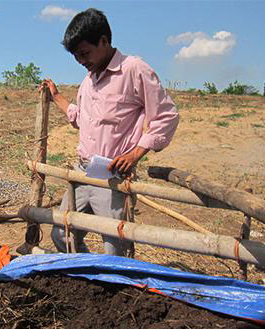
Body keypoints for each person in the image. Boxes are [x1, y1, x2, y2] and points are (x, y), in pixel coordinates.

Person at [41, 8, 179, 256]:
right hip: (82, 173)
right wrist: (57, 97)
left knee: (115, 247)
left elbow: (167, 115)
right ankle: (87, 277)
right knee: (62, 234)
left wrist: (136, 154)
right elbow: (82, 119)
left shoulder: (134, 70)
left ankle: (112, 288)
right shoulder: (88, 80)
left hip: (113, 175)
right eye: (76, 57)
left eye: (85, 53)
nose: (82, 61)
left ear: (104, 41)